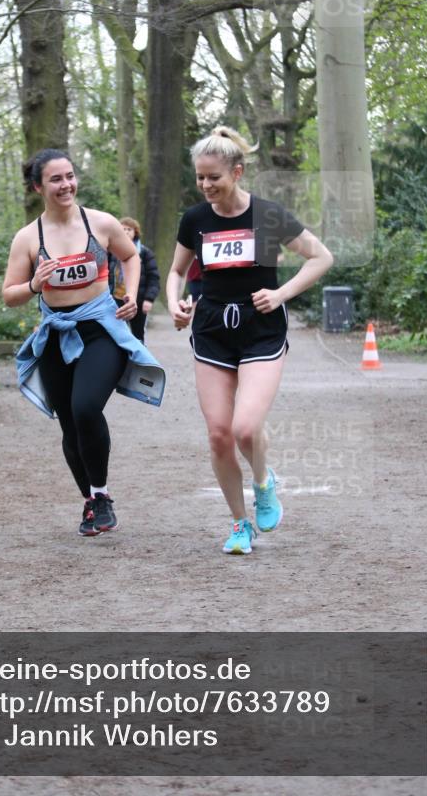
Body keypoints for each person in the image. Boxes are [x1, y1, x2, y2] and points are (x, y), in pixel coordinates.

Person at [166, 127, 333, 556]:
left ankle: (263, 481)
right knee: (219, 435)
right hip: (212, 333)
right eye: (200, 178)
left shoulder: (269, 215)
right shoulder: (195, 220)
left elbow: (321, 257)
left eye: (214, 178)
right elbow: (176, 273)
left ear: (237, 172)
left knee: (244, 429)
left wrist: (280, 294)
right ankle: (240, 524)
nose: (206, 186)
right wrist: (175, 304)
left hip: (261, 330)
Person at [3, 149, 165, 538]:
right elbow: (9, 295)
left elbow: (131, 256)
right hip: (57, 334)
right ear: (38, 186)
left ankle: (102, 494)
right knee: (70, 426)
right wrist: (34, 285)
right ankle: (92, 501)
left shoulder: (101, 223)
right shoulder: (28, 237)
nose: (66, 185)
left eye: (70, 176)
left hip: (100, 330)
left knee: (86, 406)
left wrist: (127, 293)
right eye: (56, 179)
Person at [109, 217, 161, 344]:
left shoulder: (144, 252)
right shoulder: (110, 251)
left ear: (135, 232)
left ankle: (139, 361)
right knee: (115, 334)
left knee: (138, 334)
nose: (126, 232)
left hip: (137, 300)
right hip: (115, 298)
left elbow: (153, 277)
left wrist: (149, 299)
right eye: (123, 229)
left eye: (129, 229)